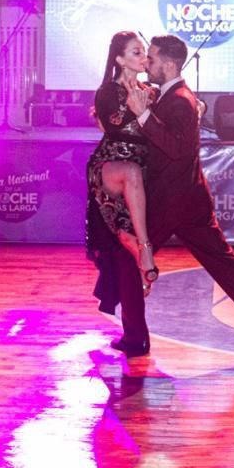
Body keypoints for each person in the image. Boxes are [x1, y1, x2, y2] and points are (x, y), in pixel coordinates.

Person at [108, 34, 234, 360]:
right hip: (187, 200)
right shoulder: (172, 97)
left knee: (128, 254)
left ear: (170, 64)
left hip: (169, 201)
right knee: (225, 263)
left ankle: (136, 338)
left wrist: (143, 116)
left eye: (152, 58)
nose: (147, 63)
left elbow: (175, 147)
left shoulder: (180, 101)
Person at [86, 32, 157, 297]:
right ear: (120, 59)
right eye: (136, 52)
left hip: (142, 169)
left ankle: (138, 269)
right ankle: (146, 250)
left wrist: (199, 106)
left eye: (144, 51)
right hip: (109, 166)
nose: (144, 57)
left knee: (126, 233)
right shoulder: (107, 91)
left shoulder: (149, 92)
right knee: (131, 171)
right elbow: (115, 126)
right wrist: (135, 108)